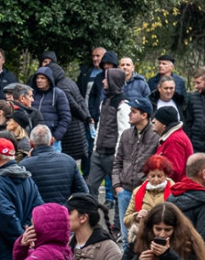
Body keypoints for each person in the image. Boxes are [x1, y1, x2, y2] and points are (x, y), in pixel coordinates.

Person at [111, 97, 161, 232]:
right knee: (126, 234)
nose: (129, 114)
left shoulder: (156, 136)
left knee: (143, 233)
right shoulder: (126, 135)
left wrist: (146, 186)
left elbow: (157, 165)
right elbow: (117, 162)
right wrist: (117, 186)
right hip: (125, 191)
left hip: (145, 192)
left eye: (133, 111)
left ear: (144, 115)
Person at [86, 67, 129, 198]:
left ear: (113, 81)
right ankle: (91, 216)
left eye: (106, 79)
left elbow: (123, 132)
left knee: (118, 190)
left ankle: (118, 218)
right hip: (98, 153)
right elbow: (99, 126)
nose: (103, 81)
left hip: (112, 156)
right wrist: (94, 147)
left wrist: (117, 155)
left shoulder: (122, 105)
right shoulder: (104, 101)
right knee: (91, 186)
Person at [21, 124, 88, 206]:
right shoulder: (69, 161)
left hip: (37, 216)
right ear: (52, 141)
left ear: (30, 144)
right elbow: (83, 193)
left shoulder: (24, 165)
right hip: (64, 214)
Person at [123, 155, 175, 243]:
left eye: (159, 176)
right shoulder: (138, 191)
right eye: (152, 176)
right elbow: (126, 220)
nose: (155, 179)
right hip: (143, 239)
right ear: (147, 175)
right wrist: (136, 216)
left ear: (166, 175)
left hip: (167, 239)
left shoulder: (174, 191)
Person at [152, 105, 193, 180]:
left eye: (156, 119)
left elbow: (174, 172)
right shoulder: (171, 137)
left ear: (164, 124)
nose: (153, 121)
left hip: (174, 189)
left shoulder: (174, 140)